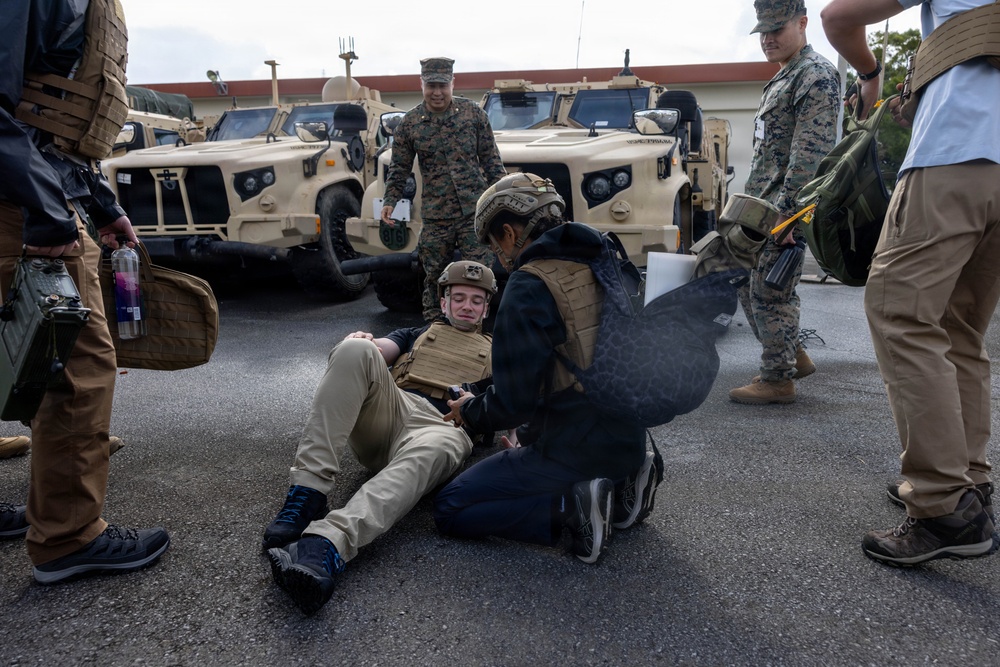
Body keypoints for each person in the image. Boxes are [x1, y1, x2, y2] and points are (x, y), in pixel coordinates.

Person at [822, 0, 1000, 565]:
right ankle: (968, 483)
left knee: (900, 311)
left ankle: (943, 505)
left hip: (957, 153)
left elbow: (838, 17)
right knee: (958, 327)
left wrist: (871, 74)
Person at [0, 0, 169, 582]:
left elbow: (54, 121)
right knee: (76, 368)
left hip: (34, 190)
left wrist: (99, 203)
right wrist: (47, 209)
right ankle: (67, 538)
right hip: (22, 202)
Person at [432, 173, 654, 565]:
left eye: (494, 243)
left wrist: (470, 409)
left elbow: (513, 404)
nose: (498, 255)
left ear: (508, 232)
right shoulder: (604, 255)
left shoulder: (529, 285)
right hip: (630, 434)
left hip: (574, 446)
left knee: (450, 507)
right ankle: (624, 482)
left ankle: (573, 508)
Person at [265, 260, 497, 614]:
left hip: (445, 427)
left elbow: (514, 401)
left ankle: (325, 545)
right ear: (444, 302)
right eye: (459, 298)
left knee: (441, 445)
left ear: (486, 308)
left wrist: (517, 437)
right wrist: (363, 342)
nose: (467, 306)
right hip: (392, 410)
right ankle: (307, 493)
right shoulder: (415, 334)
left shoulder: (500, 353)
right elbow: (379, 350)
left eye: (477, 301)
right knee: (353, 349)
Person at [729, 0, 840, 405]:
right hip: (761, 205)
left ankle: (777, 379)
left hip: (783, 208)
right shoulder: (784, 76)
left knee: (771, 292)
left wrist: (791, 215)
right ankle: (793, 355)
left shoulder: (815, 75)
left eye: (777, 28)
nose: (768, 38)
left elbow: (810, 155)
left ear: (803, 23)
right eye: (763, 31)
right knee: (743, 279)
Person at [380, 56, 506, 321]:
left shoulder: (473, 114)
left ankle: (477, 327)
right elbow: (399, 166)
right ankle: (434, 328)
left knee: (480, 273)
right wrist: (390, 200)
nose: (437, 92)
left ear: (452, 83)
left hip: (474, 212)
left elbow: (491, 160)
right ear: (422, 84)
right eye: (431, 86)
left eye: (442, 85)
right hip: (436, 215)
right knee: (434, 274)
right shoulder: (410, 123)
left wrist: (503, 199)